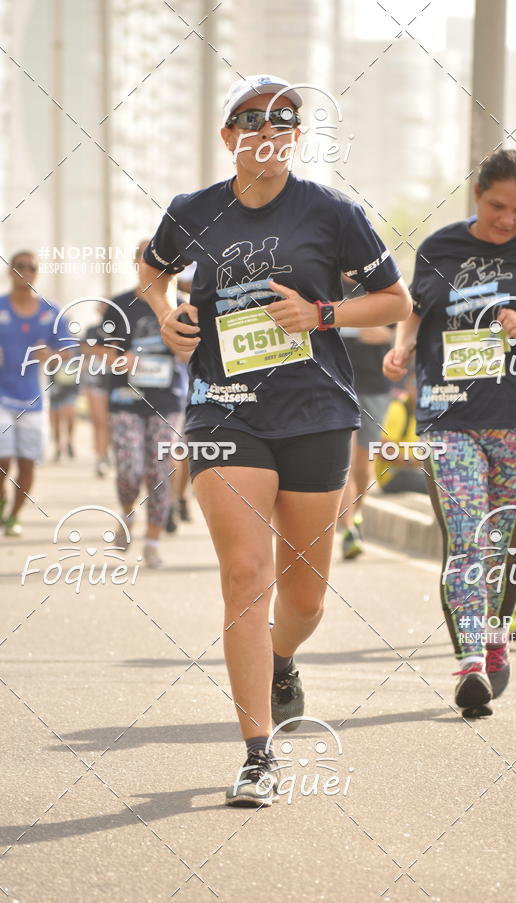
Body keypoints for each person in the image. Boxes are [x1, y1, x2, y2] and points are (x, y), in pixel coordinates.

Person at [139, 74, 412, 806]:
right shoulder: (193, 211)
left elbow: (394, 302)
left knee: (305, 597)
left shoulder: (332, 212)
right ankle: (258, 754)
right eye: (252, 117)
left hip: (317, 413)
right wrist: (164, 310)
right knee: (244, 573)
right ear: (229, 135)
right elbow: (151, 267)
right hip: (224, 411)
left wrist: (322, 313)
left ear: (296, 134)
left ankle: (283, 656)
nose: (269, 126)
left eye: (284, 117)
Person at [384, 148, 516, 718]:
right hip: (448, 414)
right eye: (498, 206)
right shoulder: (441, 248)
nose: (508, 220)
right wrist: (402, 345)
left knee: (503, 543)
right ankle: (471, 660)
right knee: (466, 537)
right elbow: (417, 308)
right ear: (478, 195)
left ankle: (497, 637)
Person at [108, 241, 186, 568]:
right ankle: (127, 513)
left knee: (158, 471)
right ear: (136, 263)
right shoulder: (119, 305)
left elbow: (191, 355)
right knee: (129, 469)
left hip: (166, 401)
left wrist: (178, 344)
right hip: (126, 401)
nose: (152, 265)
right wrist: (120, 359)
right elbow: (96, 351)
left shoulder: (182, 305)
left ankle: (152, 542)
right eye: (145, 258)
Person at [0, 251, 70, 536]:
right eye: (20, 267)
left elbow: (69, 353)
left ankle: (14, 516)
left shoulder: (50, 311)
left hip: (34, 399)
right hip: (1, 396)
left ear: (36, 273)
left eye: (31, 267)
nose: (25, 272)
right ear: (10, 271)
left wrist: (49, 355)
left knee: (26, 464)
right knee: (2, 461)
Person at [339, 279, 393, 558]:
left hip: (375, 386)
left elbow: (391, 331)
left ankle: (356, 516)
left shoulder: (381, 283)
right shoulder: (325, 282)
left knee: (363, 464)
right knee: (344, 461)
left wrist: (382, 332)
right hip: (337, 384)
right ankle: (348, 529)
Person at [81, 303, 112, 478]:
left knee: (112, 422)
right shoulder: (92, 329)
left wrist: (100, 351)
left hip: (115, 381)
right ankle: (100, 456)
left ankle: (109, 452)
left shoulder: (121, 328)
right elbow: (86, 349)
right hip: (95, 380)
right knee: (99, 421)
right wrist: (105, 352)